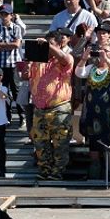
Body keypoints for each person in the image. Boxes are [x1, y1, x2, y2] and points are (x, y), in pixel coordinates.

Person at [29, 28, 74, 181]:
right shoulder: (38, 60)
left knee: (60, 143)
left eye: (51, 44)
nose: (47, 48)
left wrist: (48, 46)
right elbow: (26, 76)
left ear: (59, 45)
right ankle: (44, 170)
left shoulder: (65, 59)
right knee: (40, 142)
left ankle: (57, 172)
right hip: (40, 108)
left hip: (59, 108)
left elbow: (64, 59)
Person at [76, 42, 110, 179]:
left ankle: (109, 172)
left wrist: (106, 59)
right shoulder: (92, 68)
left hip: (108, 114)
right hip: (92, 114)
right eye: (101, 50)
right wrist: (84, 58)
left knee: (109, 141)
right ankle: (95, 171)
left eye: (106, 51)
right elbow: (79, 73)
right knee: (93, 142)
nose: (102, 53)